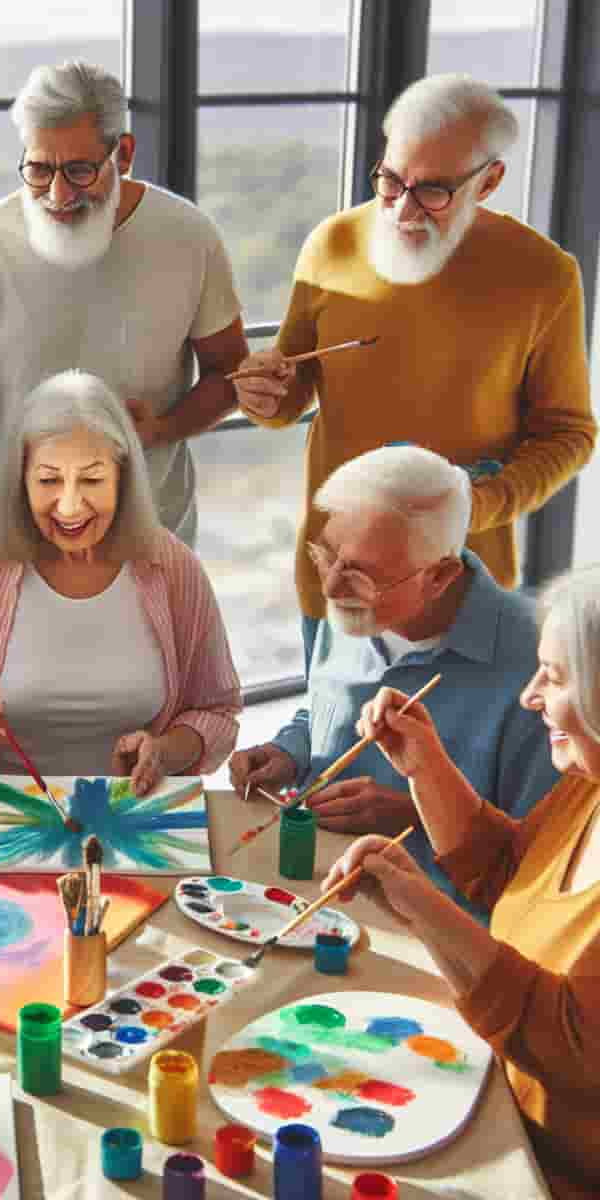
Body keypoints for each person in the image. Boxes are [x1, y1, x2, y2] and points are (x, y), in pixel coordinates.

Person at [232, 74, 595, 660]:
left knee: (444, 753)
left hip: (461, 590)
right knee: (327, 746)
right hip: (334, 580)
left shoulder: (545, 275)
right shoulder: (332, 244)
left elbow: (570, 433)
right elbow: (291, 392)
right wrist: (265, 394)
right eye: (391, 180)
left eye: (432, 190)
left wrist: (482, 502)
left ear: (491, 180)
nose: (402, 207)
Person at [0, 59, 247, 548]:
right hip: (19, 536)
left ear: (124, 154)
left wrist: (161, 430)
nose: (56, 193)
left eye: (78, 170)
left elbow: (230, 372)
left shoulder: (190, 236)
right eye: (38, 169)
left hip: (153, 533)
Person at [323, 565, 600, 1200]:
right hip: (489, 1103)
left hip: (544, 1170)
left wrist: (418, 903)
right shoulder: (587, 786)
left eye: (554, 679)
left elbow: (570, 1043)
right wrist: (428, 766)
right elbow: (512, 872)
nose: (529, 697)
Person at [229, 446, 557, 920]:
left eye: (362, 576)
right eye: (326, 556)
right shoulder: (348, 602)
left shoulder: (541, 667)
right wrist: (290, 751)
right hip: (313, 895)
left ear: (441, 575)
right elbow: (322, 708)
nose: (331, 588)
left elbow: (548, 860)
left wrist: (420, 812)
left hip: (439, 929)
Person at [0, 371, 241, 792]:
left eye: (92, 480)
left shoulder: (173, 567)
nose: (70, 506)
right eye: (49, 480)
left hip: (132, 814)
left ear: (123, 479)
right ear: (21, 481)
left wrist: (163, 751)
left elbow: (216, 713)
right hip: (0, 821)